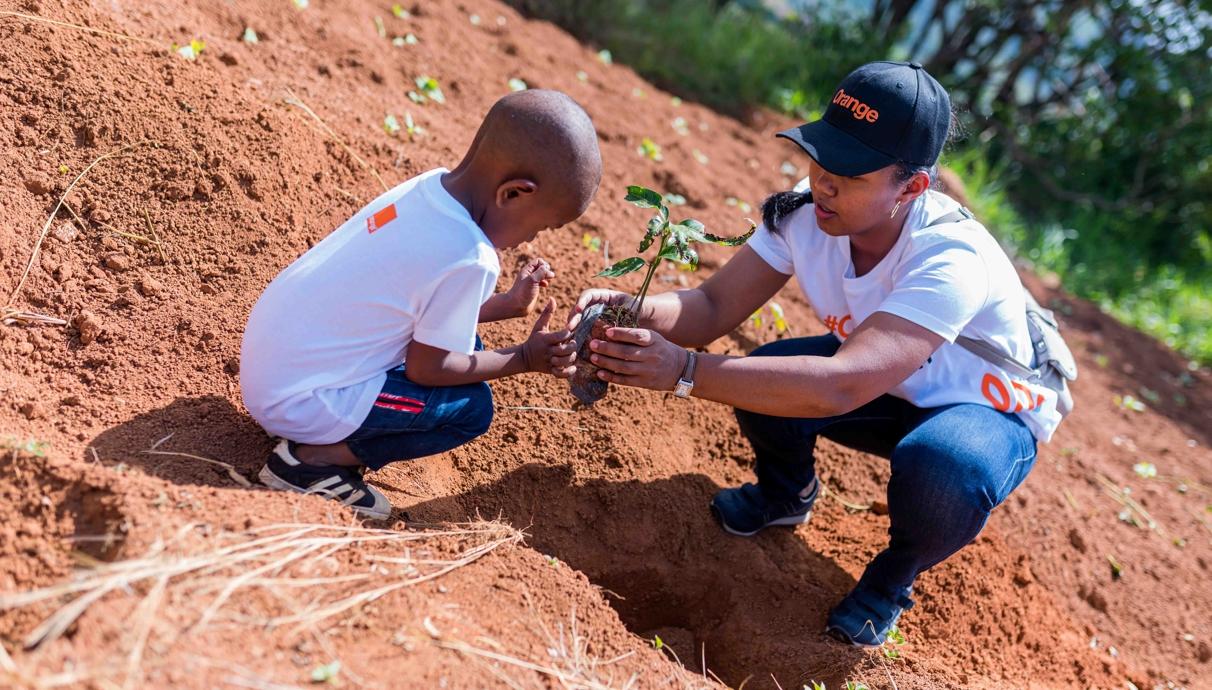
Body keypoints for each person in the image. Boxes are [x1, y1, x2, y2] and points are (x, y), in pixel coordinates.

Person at [568, 62, 1061, 646]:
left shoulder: (951, 258)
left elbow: (840, 384)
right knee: (766, 382)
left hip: (983, 406)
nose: (824, 183)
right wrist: (636, 309)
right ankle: (786, 495)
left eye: (850, 175)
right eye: (820, 159)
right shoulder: (806, 212)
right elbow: (710, 305)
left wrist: (684, 371)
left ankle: (889, 582)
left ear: (912, 187)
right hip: (890, 379)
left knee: (942, 470)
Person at [241, 89, 601, 520]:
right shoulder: (471, 255)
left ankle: (325, 437)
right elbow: (426, 369)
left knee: (466, 342)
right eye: (541, 226)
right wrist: (525, 357)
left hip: (273, 364)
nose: (532, 239)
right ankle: (311, 462)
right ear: (514, 194)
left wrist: (505, 305)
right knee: (470, 409)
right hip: (299, 400)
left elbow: (408, 305)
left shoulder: (427, 187)